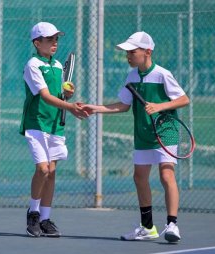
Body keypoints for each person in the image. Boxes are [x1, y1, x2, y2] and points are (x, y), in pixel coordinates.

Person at [83, 31, 189, 242]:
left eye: (132, 52)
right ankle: (148, 227)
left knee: (166, 175)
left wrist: (160, 106)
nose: (128, 56)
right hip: (142, 134)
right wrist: (94, 108)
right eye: (127, 53)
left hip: (165, 133)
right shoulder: (131, 76)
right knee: (139, 177)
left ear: (147, 52)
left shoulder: (162, 74)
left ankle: (172, 225)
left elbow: (183, 99)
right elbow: (122, 105)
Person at [20, 22, 88, 238]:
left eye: (56, 39)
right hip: (37, 123)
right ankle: (33, 213)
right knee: (43, 170)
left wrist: (67, 94)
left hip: (55, 125)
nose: (55, 43)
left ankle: (45, 218)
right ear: (37, 43)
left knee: (52, 173)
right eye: (50, 39)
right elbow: (45, 96)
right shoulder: (33, 65)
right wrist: (70, 106)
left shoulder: (58, 66)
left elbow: (57, 95)